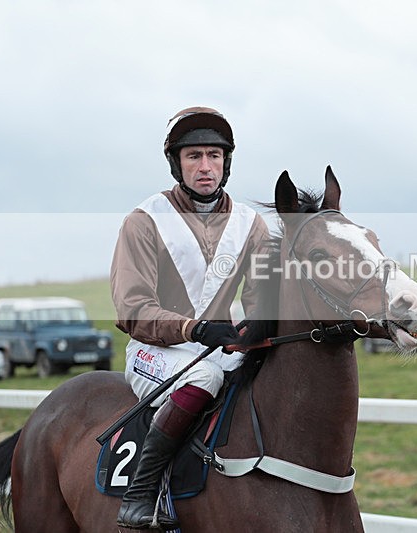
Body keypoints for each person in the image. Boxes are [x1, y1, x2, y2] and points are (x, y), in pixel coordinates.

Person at [110, 106, 270, 529]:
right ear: (176, 164)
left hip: (218, 347)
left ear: (226, 163)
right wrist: (192, 328)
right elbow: (132, 308)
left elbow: (259, 299)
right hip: (155, 350)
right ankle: (140, 493)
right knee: (204, 379)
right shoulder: (143, 222)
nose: (205, 167)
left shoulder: (251, 225)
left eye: (214, 156)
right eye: (194, 156)